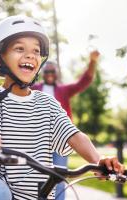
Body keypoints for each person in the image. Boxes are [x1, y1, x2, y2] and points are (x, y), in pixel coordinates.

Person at [0, 16, 124, 200]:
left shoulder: (48, 104)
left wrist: (97, 160)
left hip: (38, 193)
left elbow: (74, 135)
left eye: (36, 51)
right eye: (19, 48)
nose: (30, 55)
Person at [31, 52, 99, 200]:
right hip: (39, 139)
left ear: (56, 73)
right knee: (37, 177)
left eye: (52, 71)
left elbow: (84, 82)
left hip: (62, 139)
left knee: (60, 177)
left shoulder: (63, 90)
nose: (49, 74)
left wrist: (92, 62)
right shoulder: (34, 88)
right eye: (47, 71)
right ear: (43, 73)